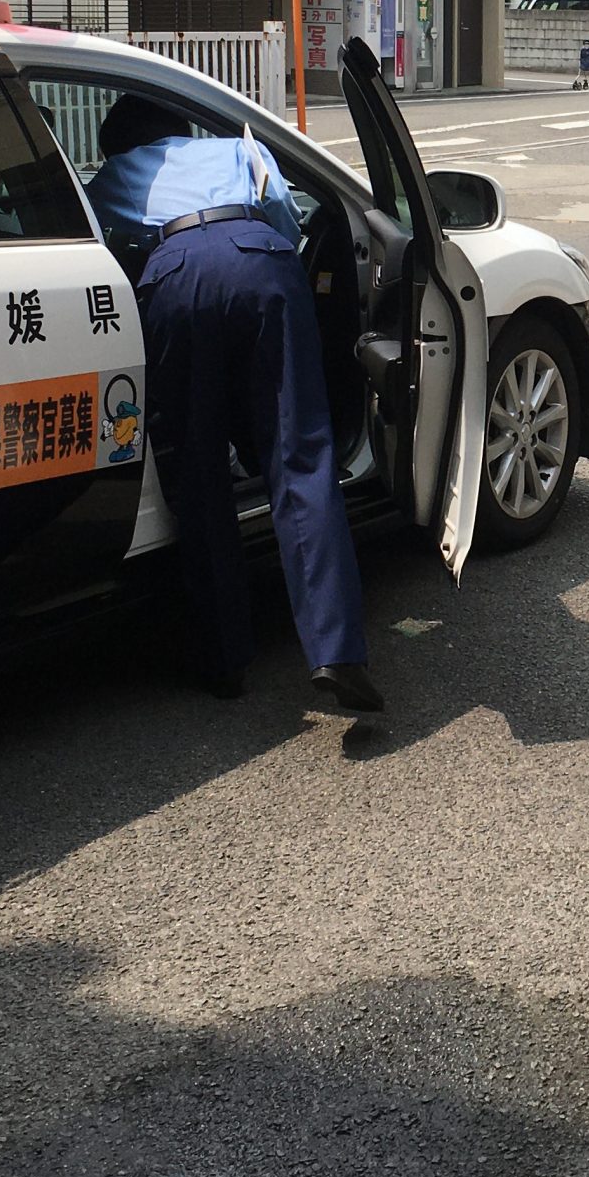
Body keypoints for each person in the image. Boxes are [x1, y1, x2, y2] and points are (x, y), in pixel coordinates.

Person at [86, 95, 382, 714]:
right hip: (261, 259)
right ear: (181, 127)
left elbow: (97, 246)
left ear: (121, 145)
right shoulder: (236, 148)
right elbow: (288, 222)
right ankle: (336, 652)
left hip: (174, 273)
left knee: (197, 469)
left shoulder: (115, 174)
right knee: (300, 456)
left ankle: (225, 660)